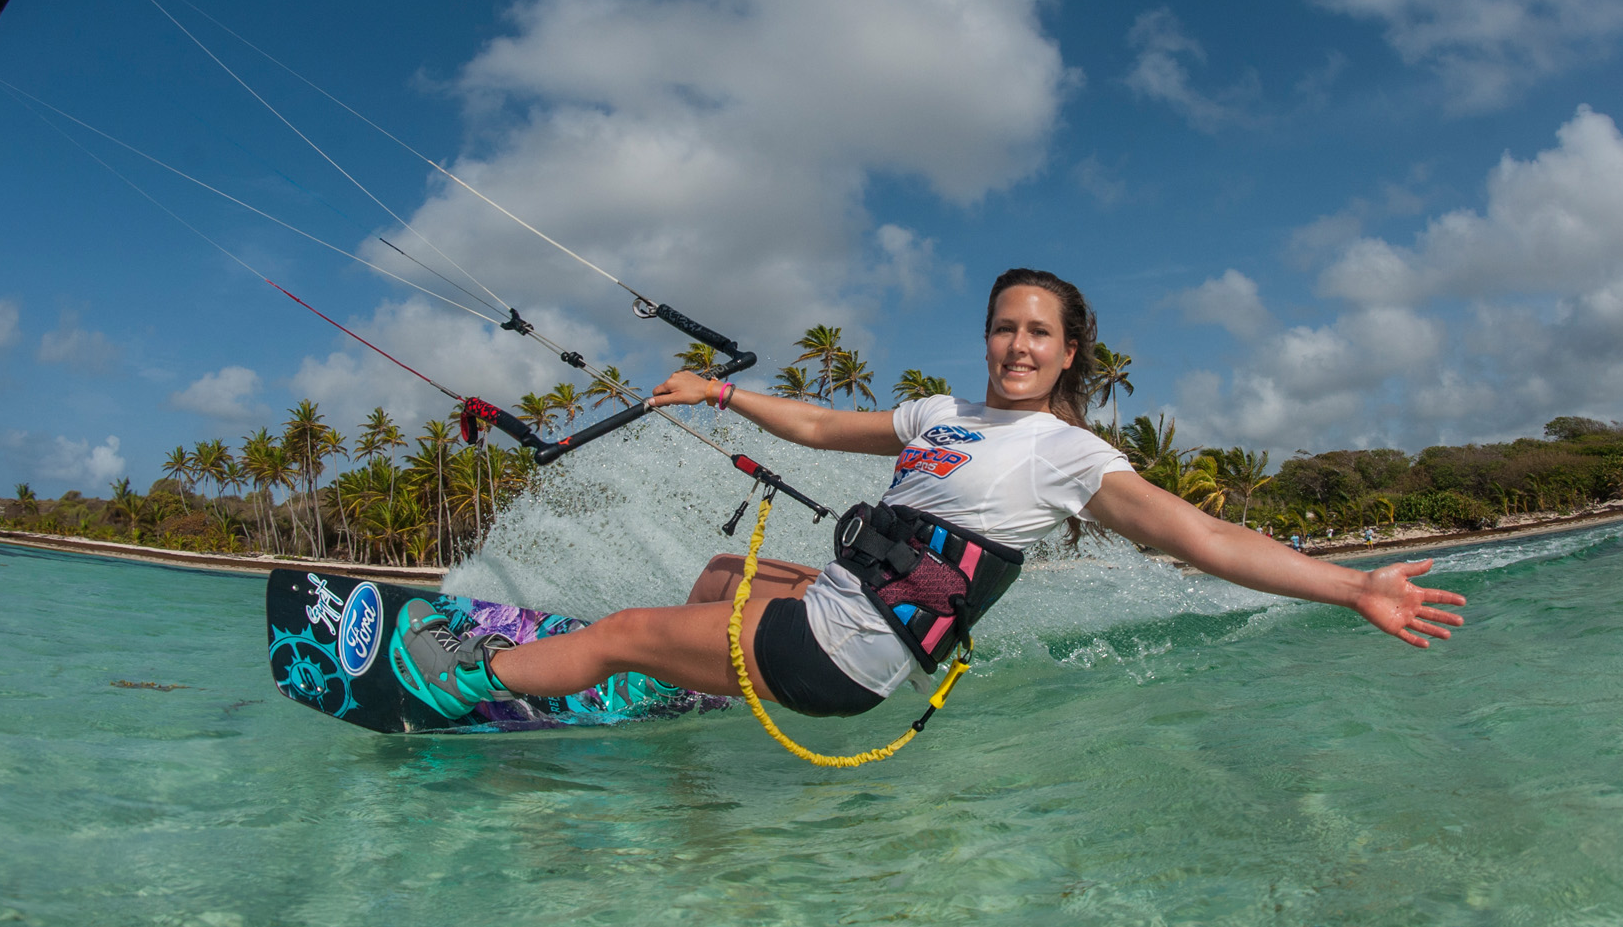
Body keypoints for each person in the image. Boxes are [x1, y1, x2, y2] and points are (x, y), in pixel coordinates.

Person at [390, 268, 1467, 721]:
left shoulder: (1066, 456)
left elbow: (1202, 535)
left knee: (625, 628)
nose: (1015, 343)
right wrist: (719, 390)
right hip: (836, 616)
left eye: (1037, 331)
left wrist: (1347, 587)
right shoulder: (939, 415)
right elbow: (817, 425)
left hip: (850, 654)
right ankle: (692, 684)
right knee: (723, 575)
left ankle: (466, 685)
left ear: (1068, 349)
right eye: (1004, 325)